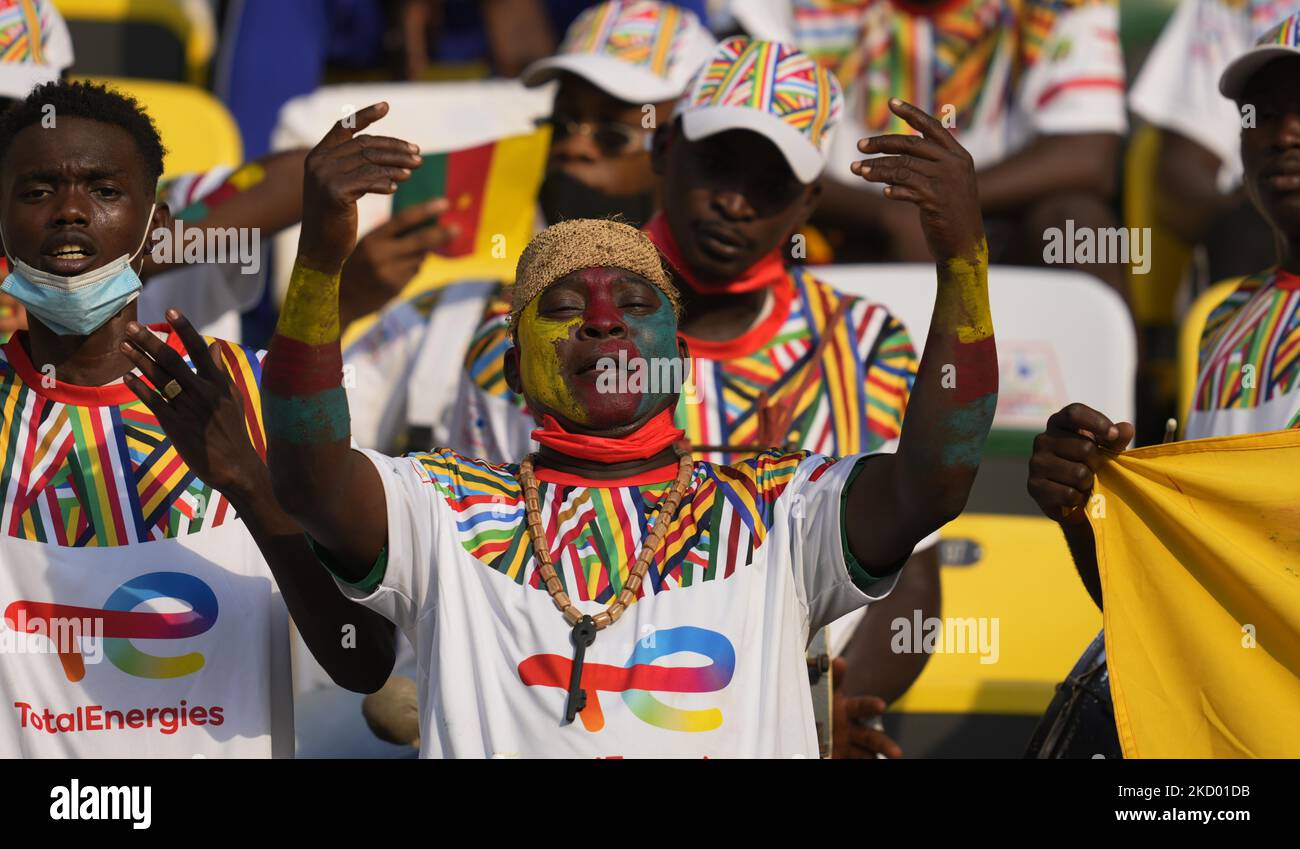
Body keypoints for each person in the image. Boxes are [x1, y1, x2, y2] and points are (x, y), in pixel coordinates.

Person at [260, 90, 996, 757]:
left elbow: (932, 480)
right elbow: (307, 472)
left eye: (638, 307)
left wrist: (963, 260)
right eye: (565, 308)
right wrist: (322, 263)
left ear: (677, 358)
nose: (606, 321)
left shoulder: (777, 510)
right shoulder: (447, 510)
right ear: (514, 370)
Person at [454, 36, 942, 752]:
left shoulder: (869, 345)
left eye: (770, 182)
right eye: (716, 163)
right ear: (663, 151)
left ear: (810, 199)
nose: (736, 202)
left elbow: (912, 570)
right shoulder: (531, 338)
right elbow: (476, 567)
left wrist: (828, 707)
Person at [0, 81, 394, 757]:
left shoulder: (260, 392)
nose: (70, 211)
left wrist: (250, 485)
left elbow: (363, 658)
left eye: (103, 190)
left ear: (157, 226)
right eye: (37, 191)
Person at [1024, 15, 1300, 754]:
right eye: (1264, 114)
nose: (1283, 134)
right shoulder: (1222, 324)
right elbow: (1182, 609)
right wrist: (1088, 513)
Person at [342, 0, 717, 455]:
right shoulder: (453, 311)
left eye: (613, 134)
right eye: (562, 126)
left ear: (686, 153)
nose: (574, 147)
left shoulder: (772, 337)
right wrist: (338, 301)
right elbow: (305, 458)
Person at [729, 0, 1128, 290]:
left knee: (1081, 228)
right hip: (835, 223)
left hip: (1001, 225)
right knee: (737, 204)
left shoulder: (1063, 7)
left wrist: (945, 203)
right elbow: (753, 140)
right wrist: (888, 217)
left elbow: (1090, 156)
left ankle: (1112, 395)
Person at [1129, 0, 1300, 284]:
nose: (1283, 137)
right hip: (1248, 248)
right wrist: (1249, 207)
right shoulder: (1228, 6)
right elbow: (1180, 174)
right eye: (1266, 114)